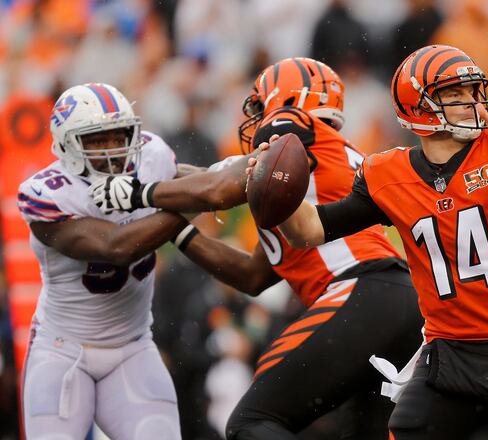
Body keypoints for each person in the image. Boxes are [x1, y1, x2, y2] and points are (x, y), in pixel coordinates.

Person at [252, 45, 488, 439]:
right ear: (419, 105)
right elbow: (309, 232)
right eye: (455, 94)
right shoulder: (387, 173)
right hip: (448, 361)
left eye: (472, 91)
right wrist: (273, 186)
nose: (471, 102)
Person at [89, 58, 424, 439]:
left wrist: (139, 192)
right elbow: (252, 274)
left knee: (251, 422)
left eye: (261, 105)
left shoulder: (292, 126)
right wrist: (173, 227)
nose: (256, 118)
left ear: (288, 99)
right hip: (395, 299)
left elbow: (220, 188)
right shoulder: (314, 166)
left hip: (360, 290)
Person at [18, 83, 193, 439]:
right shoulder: (48, 193)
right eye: (96, 140)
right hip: (61, 352)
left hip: (133, 347)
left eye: (118, 136)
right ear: (67, 144)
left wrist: (245, 170)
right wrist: (198, 202)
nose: (112, 149)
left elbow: (204, 181)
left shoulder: (152, 158)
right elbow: (117, 247)